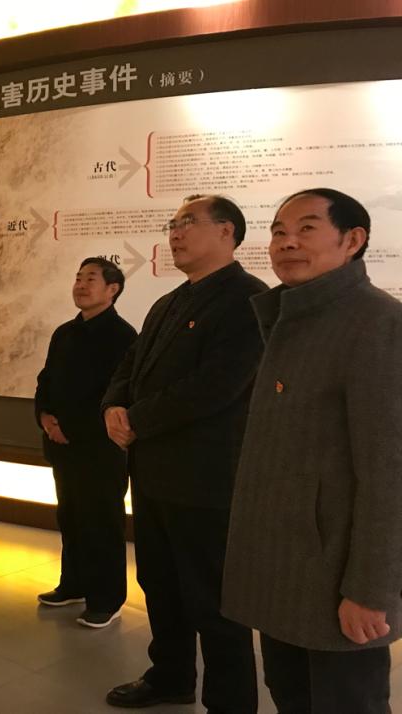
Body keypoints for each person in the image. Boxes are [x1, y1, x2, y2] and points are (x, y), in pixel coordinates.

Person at [222, 189, 402, 714]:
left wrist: (370, 590)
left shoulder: (377, 323)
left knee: (346, 702)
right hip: (284, 565)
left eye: (306, 228)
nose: (287, 242)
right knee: (291, 695)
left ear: (352, 240)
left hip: (336, 576)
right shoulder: (291, 317)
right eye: (278, 231)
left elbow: (389, 473)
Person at [101, 194, 266, 711]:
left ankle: (230, 702)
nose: (175, 233)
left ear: (227, 231)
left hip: (206, 481)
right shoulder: (168, 302)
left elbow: (216, 387)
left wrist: (137, 419)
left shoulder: (248, 299)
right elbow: (129, 364)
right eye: (172, 224)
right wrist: (113, 405)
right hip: (152, 475)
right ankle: (171, 676)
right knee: (160, 585)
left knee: (214, 601)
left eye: (188, 223)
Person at [34, 257, 137, 629]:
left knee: (102, 523)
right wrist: (45, 417)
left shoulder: (123, 337)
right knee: (71, 517)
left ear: (112, 289)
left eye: (90, 278)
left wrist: (70, 429)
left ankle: (107, 599)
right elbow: (46, 380)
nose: (80, 284)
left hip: (99, 450)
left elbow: (117, 395)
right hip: (62, 446)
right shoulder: (64, 333)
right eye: (78, 278)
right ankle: (73, 584)